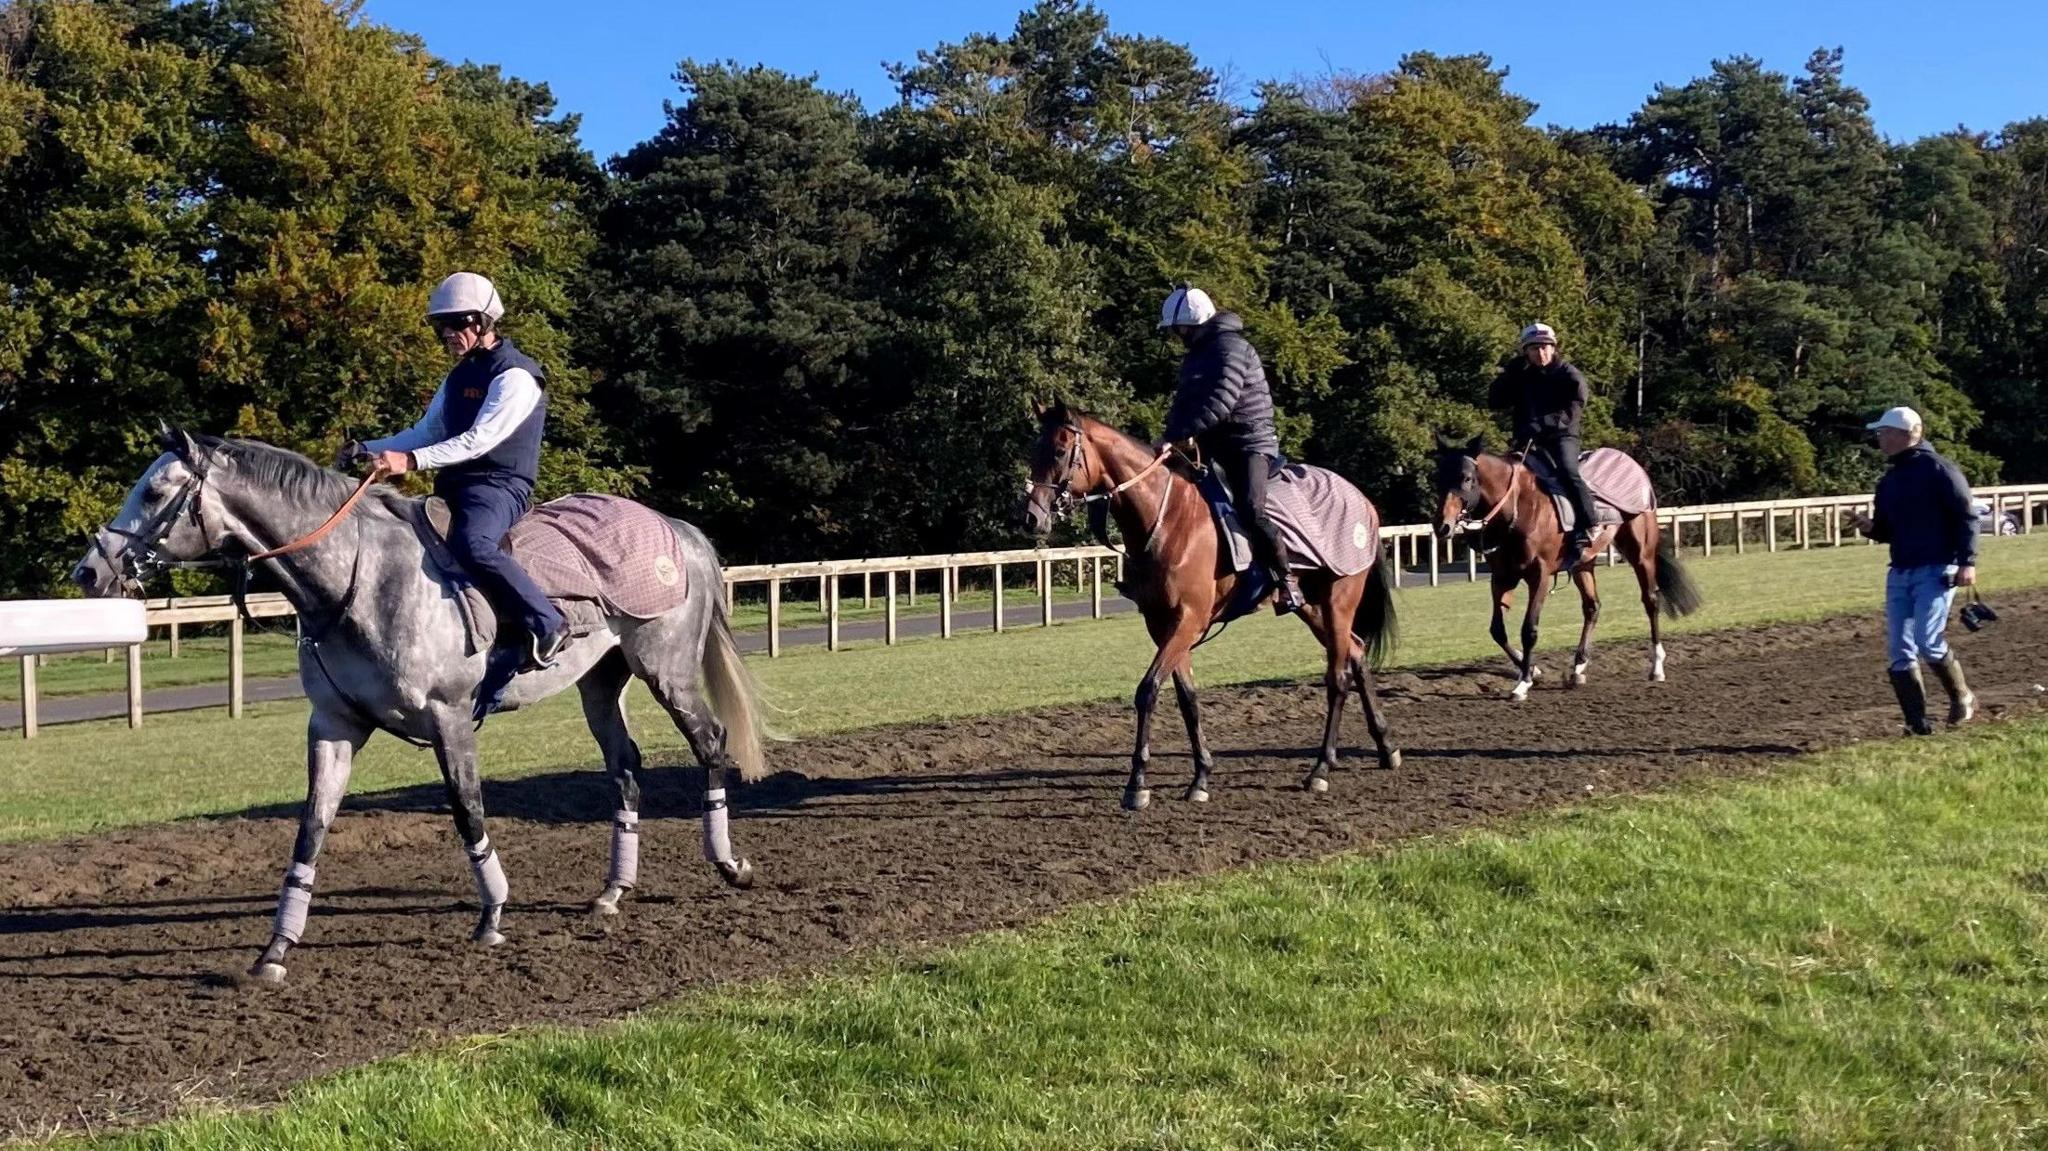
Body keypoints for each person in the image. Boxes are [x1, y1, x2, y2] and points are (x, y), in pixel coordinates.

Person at [350, 272, 566, 671]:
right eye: (442, 326)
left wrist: (409, 461)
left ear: (484, 321)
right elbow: (426, 431)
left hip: (500, 486)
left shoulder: (516, 376)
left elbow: (479, 441)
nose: (448, 333)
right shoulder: (459, 375)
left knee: (473, 542)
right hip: (455, 483)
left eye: (458, 323)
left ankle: (548, 622)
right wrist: (369, 448)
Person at [1157, 286, 1302, 614]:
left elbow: (1220, 402)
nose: (1175, 336)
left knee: (1252, 509)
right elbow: (1184, 403)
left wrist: (1181, 432)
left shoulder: (1232, 349)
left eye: (1177, 329)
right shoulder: (1197, 356)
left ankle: (1286, 579)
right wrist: (1167, 436)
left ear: (1191, 325)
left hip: (1251, 443)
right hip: (1214, 446)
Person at [1849, 406, 1978, 735]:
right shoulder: (1889, 480)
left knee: (1927, 641)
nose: (1880, 439)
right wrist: (1868, 527)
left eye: (1885, 433)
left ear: (1909, 434)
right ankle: (1917, 724)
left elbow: (1966, 516)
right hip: (1900, 571)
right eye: (1880, 433)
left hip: (1937, 569)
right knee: (1899, 650)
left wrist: (1968, 562)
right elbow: (1887, 531)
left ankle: (1962, 696)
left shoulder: (1940, 469)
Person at [1488, 322, 1597, 565]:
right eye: (1534, 349)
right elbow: (1494, 402)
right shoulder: (1523, 376)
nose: (1541, 353)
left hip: (1561, 437)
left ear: (1554, 348)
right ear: (1525, 351)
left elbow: (1574, 409)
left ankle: (1587, 525)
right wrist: (1508, 375)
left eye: (1545, 347)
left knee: (1568, 472)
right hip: (1527, 440)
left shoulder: (1570, 375)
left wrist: (1543, 424)